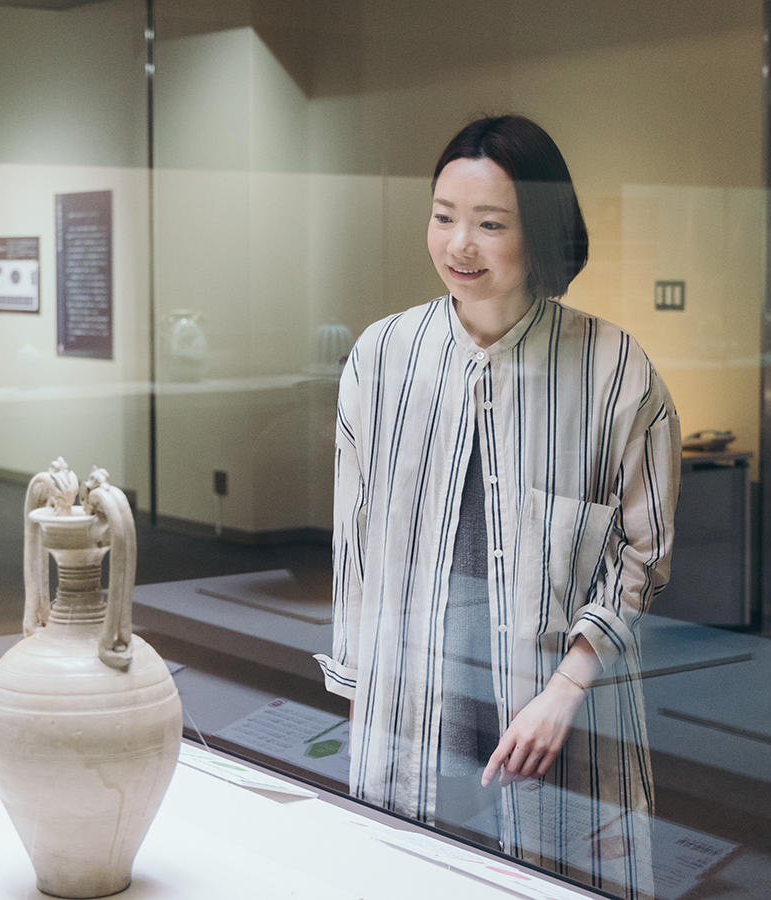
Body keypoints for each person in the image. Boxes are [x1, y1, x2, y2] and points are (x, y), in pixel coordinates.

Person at [316, 115, 680, 900]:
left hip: (557, 709)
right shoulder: (382, 358)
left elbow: (641, 556)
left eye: (490, 224)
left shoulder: (615, 369)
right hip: (416, 696)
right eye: (443, 217)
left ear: (541, 232)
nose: (459, 246)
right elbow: (356, 538)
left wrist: (566, 690)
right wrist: (357, 693)